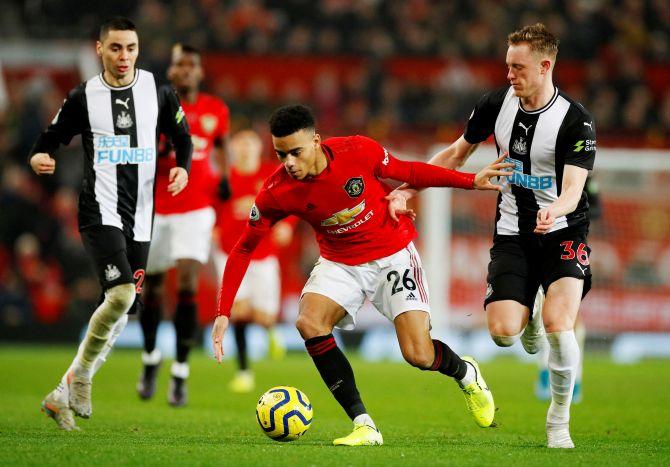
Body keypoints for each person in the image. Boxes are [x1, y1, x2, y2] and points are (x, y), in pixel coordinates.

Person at [211, 104, 513, 446]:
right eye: (281, 155)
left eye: (295, 152)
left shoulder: (356, 150)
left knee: (419, 354)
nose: (289, 163)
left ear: (316, 141)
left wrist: (470, 181)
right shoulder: (276, 191)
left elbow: (410, 171)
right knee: (309, 322)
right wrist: (223, 312)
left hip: (392, 256)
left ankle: (465, 372)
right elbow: (243, 248)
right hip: (339, 263)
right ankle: (364, 424)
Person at [388, 23, 596, 448]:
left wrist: (554, 209)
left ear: (544, 66)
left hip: (562, 232)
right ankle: (530, 313)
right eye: (507, 67)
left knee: (561, 326)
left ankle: (558, 423)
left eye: (518, 68)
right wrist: (412, 184)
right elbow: (455, 153)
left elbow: (574, 190)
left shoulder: (576, 120)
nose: (509, 75)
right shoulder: (495, 104)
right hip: (512, 233)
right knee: (503, 333)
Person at [30, 17, 192, 430]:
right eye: (116, 48)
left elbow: (182, 138)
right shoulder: (84, 96)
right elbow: (51, 137)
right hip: (99, 211)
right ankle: (82, 377)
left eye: (131, 48)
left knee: (123, 311)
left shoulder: (158, 90)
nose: (124, 57)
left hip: (141, 217)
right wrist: (39, 156)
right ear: (99, 49)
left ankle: (62, 392)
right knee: (120, 296)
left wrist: (182, 168)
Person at [136, 43, 230, 407]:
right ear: (171, 71)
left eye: (193, 64)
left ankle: (180, 371)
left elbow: (222, 146)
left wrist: (225, 175)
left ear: (200, 72)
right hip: (157, 207)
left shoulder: (215, 109)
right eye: (181, 64)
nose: (187, 70)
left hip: (197, 207)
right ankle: (149, 360)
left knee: (188, 281)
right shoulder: (153, 106)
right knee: (153, 288)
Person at [212, 129, 295, 393]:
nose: (245, 147)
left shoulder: (272, 175)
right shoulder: (224, 179)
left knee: (263, 316)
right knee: (238, 313)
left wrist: (288, 225)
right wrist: (212, 228)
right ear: (233, 147)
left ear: (260, 147)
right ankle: (244, 371)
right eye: (240, 142)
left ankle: (270, 330)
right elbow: (212, 208)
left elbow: (293, 202)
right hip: (230, 253)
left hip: (263, 255)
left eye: (250, 142)